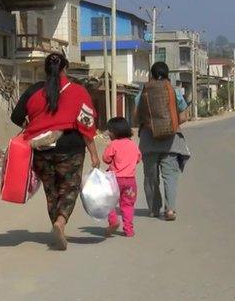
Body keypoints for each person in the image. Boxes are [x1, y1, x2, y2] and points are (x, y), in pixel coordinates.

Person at [11, 53, 99, 250]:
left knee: (51, 191)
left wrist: (31, 125)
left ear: (45, 69)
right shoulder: (78, 91)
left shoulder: (34, 91)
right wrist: (93, 152)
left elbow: (16, 115)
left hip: (41, 150)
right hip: (71, 148)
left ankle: (56, 225)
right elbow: (86, 125)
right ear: (65, 68)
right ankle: (61, 222)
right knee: (69, 187)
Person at [134, 62, 191, 221]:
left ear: (151, 74)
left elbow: (136, 116)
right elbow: (184, 116)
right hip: (170, 142)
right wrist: (170, 124)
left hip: (148, 141)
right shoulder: (173, 91)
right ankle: (170, 210)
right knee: (170, 176)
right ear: (167, 75)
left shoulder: (143, 92)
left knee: (150, 177)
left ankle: (153, 209)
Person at [103, 117, 142, 237]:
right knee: (128, 205)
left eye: (109, 131)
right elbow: (138, 158)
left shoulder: (113, 144)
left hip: (115, 180)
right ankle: (129, 229)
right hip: (130, 181)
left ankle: (113, 221)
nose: (108, 133)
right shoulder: (132, 144)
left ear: (114, 132)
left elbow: (106, 158)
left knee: (109, 202)